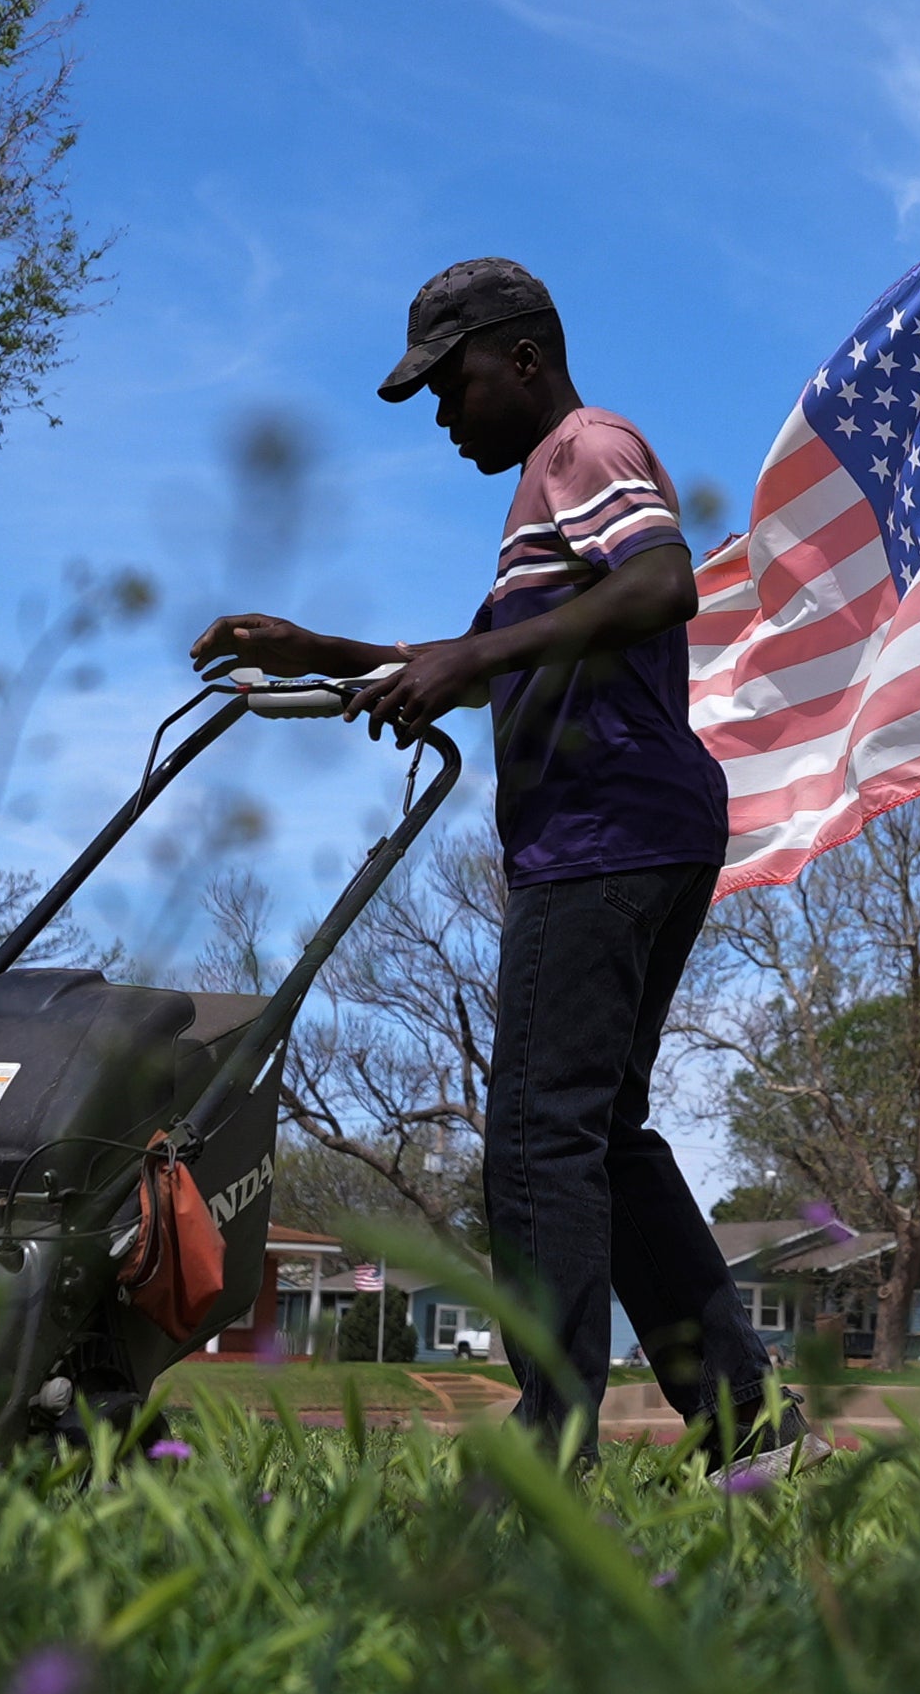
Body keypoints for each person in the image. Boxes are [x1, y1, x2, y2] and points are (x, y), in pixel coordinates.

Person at [192, 258, 776, 1463]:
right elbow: (474, 656)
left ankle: (552, 1436)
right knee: (601, 1133)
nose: (444, 418)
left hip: (603, 836)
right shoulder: (537, 503)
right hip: (642, 831)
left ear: (520, 358)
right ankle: (749, 1424)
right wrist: (319, 648)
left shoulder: (582, 446)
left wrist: (467, 666)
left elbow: (664, 581)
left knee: (535, 1133)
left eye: (450, 388)